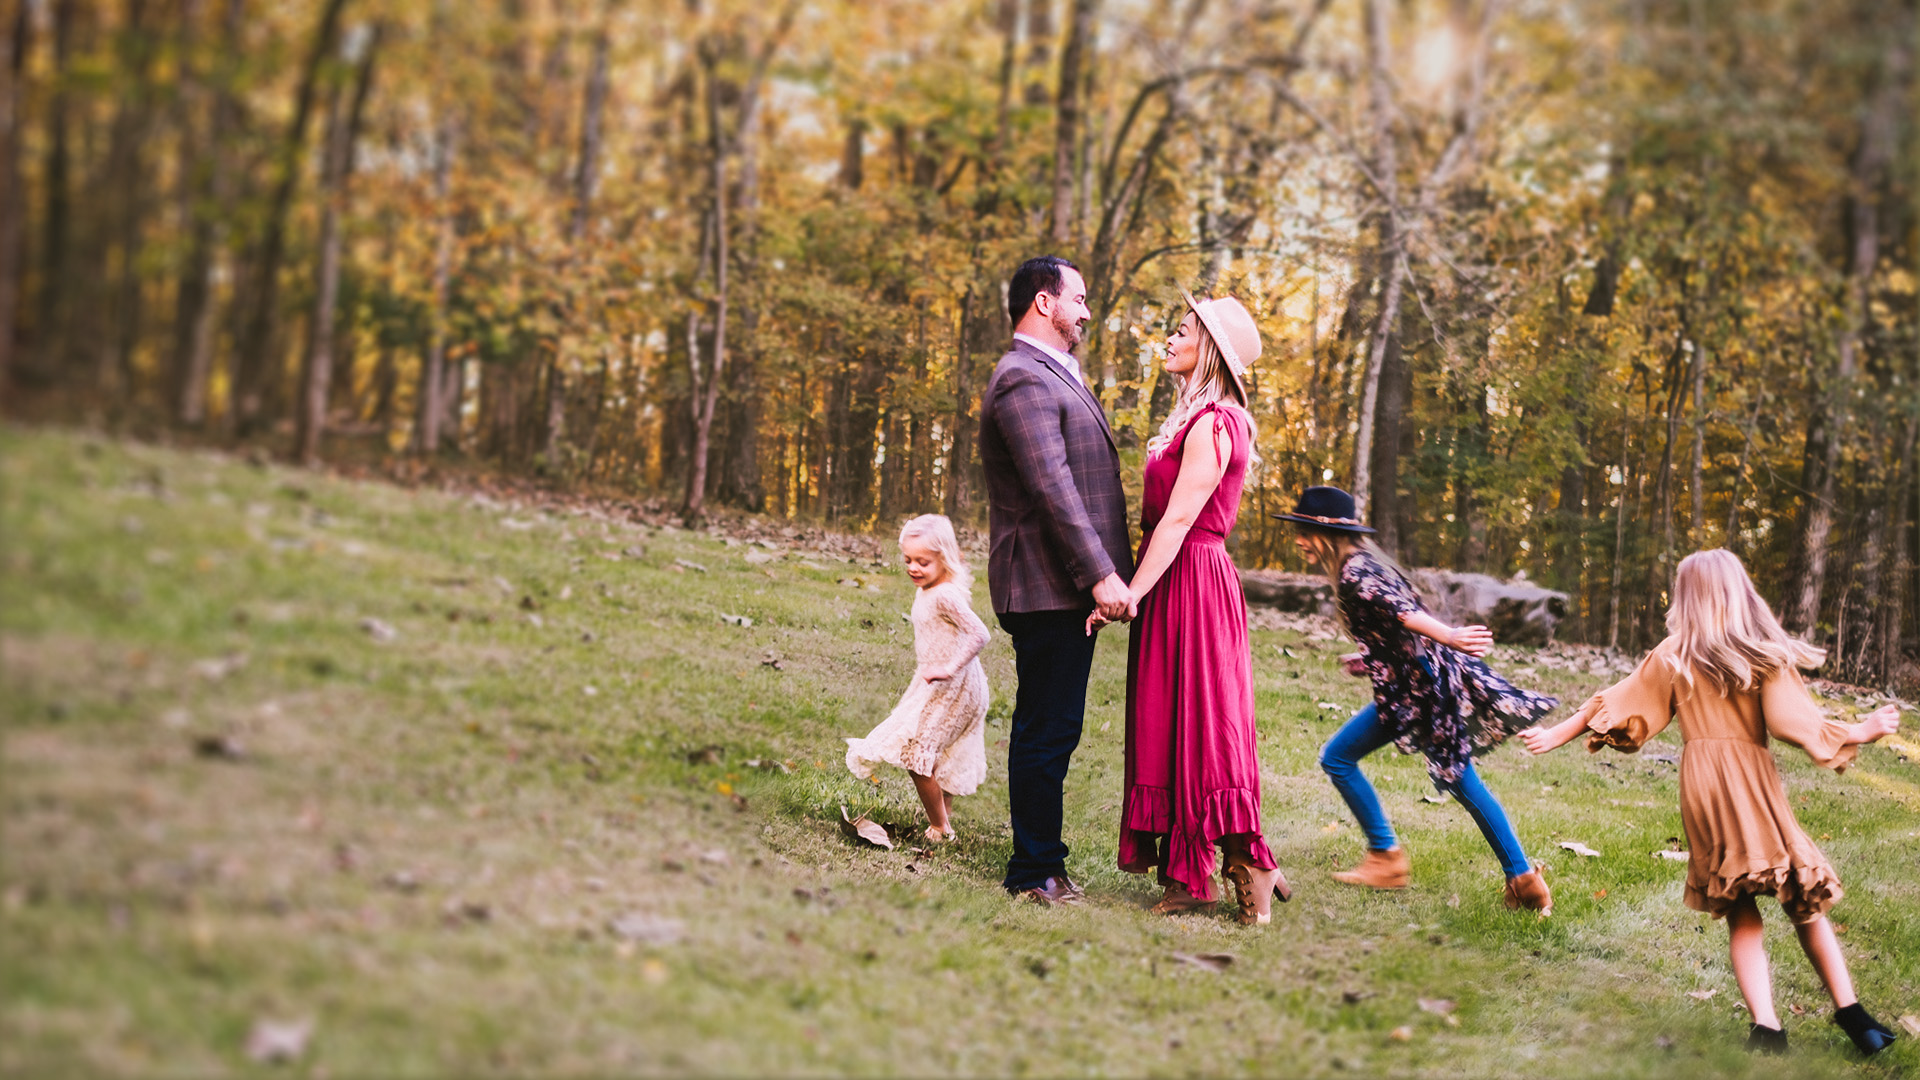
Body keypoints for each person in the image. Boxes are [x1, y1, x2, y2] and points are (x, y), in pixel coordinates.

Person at [1520, 549, 1901, 1056]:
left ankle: (1767, 1029)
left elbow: (1620, 699)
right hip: (1749, 783)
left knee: (1741, 904)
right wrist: (1862, 730)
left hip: (1701, 788)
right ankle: (1855, 1016)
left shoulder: (1674, 654)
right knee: (1802, 894)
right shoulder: (1762, 654)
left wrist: (1558, 733)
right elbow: (1792, 725)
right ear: (1739, 591)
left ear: (1686, 598)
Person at [1088, 291, 1288, 925]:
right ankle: (1185, 877)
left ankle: (1250, 864)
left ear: (1211, 354)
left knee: (1206, 726)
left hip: (1194, 578)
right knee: (1166, 723)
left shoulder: (1217, 423)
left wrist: (1132, 593)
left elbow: (1179, 518)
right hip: (1170, 574)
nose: (1169, 340)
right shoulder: (1188, 418)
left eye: (1183, 332)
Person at [1279, 487, 1557, 911]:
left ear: (1326, 533)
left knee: (1348, 760)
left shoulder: (1356, 571)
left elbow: (1403, 612)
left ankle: (1394, 859)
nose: (1298, 539)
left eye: (1304, 529)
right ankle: (1517, 878)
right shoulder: (1369, 564)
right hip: (1416, 683)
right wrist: (1368, 655)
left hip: (1417, 691)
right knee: (1452, 778)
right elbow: (1393, 624)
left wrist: (1450, 635)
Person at [977, 256, 1135, 906]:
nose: (1087, 312)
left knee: (1056, 726)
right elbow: (1053, 488)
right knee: (1045, 729)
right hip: (1045, 585)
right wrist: (1098, 574)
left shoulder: (1051, 373)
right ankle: (1032, 871)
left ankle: (1045, 861)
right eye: (1080, 299)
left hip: (1061, 585)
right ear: (1044, 303)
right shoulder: (1021, 378)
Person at [845, 515, 991, 843]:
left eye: (923, 561)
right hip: (941, 684)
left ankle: (941, 827)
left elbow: (979, 634)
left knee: (918, 754)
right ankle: (942, 818)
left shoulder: (944, 595)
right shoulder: (929, 588)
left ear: (944, 558)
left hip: (954, 686)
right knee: (938, 749)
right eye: (908, 559)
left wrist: (950, 667)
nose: (913, 567)